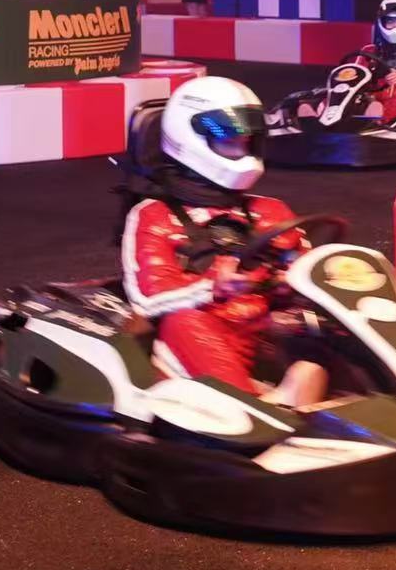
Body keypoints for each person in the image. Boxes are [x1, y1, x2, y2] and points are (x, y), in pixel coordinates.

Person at [121, 76, 322, 401]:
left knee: (324, 327)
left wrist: (292, 282)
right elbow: (149, 299)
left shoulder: (270, 210)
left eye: (247, 141)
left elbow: (308, 271)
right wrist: (213, 286)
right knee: (184, 322)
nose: (243, 150)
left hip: (262, 330)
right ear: (191, 138)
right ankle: (258, 410)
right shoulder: (155, 215)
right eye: (230, 140)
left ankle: (385, 392)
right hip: (199, 336)